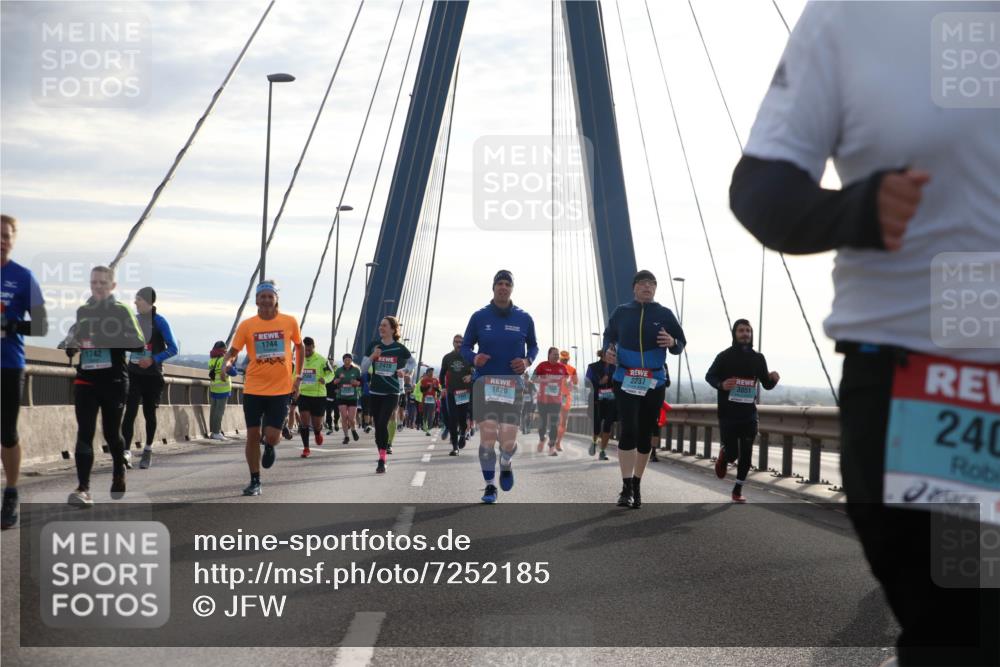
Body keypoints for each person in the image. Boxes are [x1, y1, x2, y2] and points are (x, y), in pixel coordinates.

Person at [729, 3, 999, 663]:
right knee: (964, 630)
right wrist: (854, 209)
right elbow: (760, 188)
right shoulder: (852, 18)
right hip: (934, 387)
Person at [61, 265, 146, 505]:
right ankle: (83, 488)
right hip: (86, 378)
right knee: (85, 432)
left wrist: (107, 337)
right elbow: (74, 336)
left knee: (111, 434)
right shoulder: (83, 311)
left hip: (114, 381)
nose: (97, 286)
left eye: (102, 283)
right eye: (93, 283)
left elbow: (138, 343)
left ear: (112, 286)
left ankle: (119, 470)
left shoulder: (121, 311)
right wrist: (71, 344)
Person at [602, 269, 685, 509]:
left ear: (655, 289)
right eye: (642, 283)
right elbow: (609, 336)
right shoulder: (622, 312)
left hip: (654, 381)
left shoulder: (664, 314)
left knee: (646, 433)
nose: (647, 287)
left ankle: (637, 483)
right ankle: (626, 486)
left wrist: (672, 343)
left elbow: (681, 343)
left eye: (652, 284)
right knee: (629, 429)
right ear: (634, 288)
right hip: (625, 377)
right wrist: (608, 348)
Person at [461, 270, 538, 504]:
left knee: (506, 441)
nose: (503, 287)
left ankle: (506, 461)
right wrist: (474, 358)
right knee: (487, 437)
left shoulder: (524, 318)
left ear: (512, 288)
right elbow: (465, 346)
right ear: (493, 288)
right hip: (485, 383)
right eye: (499, 284)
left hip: (512, 385)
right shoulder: (479, 317)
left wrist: (526, 361)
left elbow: (533, 346)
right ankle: (489, 486)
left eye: (507, 284)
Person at [220, 281, 303, 496]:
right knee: (252, 435)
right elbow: (234, 350)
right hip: (254, 387)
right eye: (262, 296)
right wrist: (226, 362)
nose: (266, 300)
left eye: (270, 296)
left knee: (272, 436)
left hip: (280, 389)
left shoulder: (289, 321)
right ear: (256, 300)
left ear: (276, 299)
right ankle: (255, 480)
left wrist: (298, 377)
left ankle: (271, 444)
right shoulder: (247, 326)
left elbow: (300, 346)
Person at [0, 214, 47, 528]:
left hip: (8, 364)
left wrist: (13, 324)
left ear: (14, 240)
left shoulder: (23, 276)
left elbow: (42, 325)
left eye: (6, 236)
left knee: (7, 433)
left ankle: (12, 492)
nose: (2, 240)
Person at [705, 320, 780, 502]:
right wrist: (721, 384)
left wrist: (773, 379)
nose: (745, 333)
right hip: (728, 414)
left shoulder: (758, 358)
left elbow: (766, 384)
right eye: (741, 330)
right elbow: (710, 376)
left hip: (749, 414)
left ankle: (737, 490)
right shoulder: (724, 356)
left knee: (746, 452)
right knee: (733, 454)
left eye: (748, 330)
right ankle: (725, 455)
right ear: (735, 333)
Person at [120, 286, 178, 470]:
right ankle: (125, 452)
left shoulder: (160, 322)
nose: (135, 303)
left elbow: (173, 348)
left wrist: (153, 359)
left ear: (148, 302)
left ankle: (147, 450)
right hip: (134, 374)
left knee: (149, 414)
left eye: (138, 300)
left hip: (152, 376)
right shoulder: (133, 321)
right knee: (129, 413)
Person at [359, 316, 415, 473]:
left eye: (384, 325)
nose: (380, 328)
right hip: (376, 391)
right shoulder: (373, 346)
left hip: (392, 391)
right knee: (378, 426)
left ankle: (382, 460)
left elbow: (412, 363)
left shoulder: (399, 348)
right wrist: (372, 356)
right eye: (380, 325)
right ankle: (382, 454)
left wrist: (404, 371)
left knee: (383, 422)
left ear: (392, 329)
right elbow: (363, 368)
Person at [295, 337, 334, 458]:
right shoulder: (299, 359)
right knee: (304, 423)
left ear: (313, 347)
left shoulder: (322, 360)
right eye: (304, 350)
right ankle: (306, 448)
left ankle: (318, 432)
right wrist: (294, 388)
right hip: (304, 395)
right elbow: (294, 375)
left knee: (317, 424)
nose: (306, 352)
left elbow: (331, 373)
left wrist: (325, 379)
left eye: (308, 350)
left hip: (318, 395)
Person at [440, 333, 474, 455]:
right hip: (451, 392)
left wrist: (471, 376)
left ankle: (463, 434)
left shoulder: (469, 357)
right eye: (456, 342)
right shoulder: (447, 357)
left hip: (465, 392)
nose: (458, 344)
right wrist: (443, 387)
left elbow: (477, 371)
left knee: (462, 418)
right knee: (453, 419)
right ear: (453, 343)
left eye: (461, 342)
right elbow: (442, 374)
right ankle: (455, 446)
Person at [531, 347, 568, 456]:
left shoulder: (562, 367)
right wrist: (544, 380)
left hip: (556, 401)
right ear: (549, 355)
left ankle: (551, 447)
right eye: (554, 354)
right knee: (542, 423)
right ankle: (542, 439)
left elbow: (566, 381)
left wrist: (569, 386)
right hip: (542, 400)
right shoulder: (542, 366)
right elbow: (533, 378)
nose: (557, 356)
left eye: (558, 355)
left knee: (553, 424)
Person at [586, 348, 617, 461]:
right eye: (610, 354)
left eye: (614, 355)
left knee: (608, 425)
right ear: (603, 355)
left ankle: (603, 451)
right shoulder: (592, 367)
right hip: (596, 400)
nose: (612, 357)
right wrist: (599, 383)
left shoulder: (616, 368)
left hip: (611, 401)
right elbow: (586, 383)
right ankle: (594, 442)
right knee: (597, 426)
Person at [207, 340, 237, 440]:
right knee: (219, 412)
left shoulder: (211, 360)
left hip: (214, 388)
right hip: (223, 389)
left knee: (214, 411)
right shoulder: (224, 359)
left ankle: (212, 432)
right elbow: (233, 373)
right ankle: (217, 432)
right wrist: (234, 363)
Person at [333, 353, 362, 444]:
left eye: (349, 359)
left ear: (351, 360)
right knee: (344, 417)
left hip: (352, 396)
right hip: (341, 397)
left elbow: (360, 383)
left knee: (351, 418)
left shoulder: (356, 370)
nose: (347, 361)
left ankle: (353, 429)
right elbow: (334, 382)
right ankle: (346, 436)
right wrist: (338, 380)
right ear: (343, 361)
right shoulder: (338, 370)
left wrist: (356, 383)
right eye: (345, 359)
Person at [553, 350, 578, 452]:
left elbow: (576, 384)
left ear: (568, 359)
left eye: (565, 359)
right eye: (562, 359)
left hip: (565, 397)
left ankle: (558, 442)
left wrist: (572, 385)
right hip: (554, 396)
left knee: (563, 423)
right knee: (556, 421)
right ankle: (554, 441)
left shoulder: (572, 370)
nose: (564, 361)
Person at [418, 367, 441, 436]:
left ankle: (429, 429)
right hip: (425, 399)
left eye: (432, 372)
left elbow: (438, 390)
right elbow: (422, 390)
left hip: (433, 400)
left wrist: (435, 388)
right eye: (430, 372)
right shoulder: (423, 380)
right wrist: (429, 386)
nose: (432, 373)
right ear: (427, 372)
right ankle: (425, 426)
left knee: (431, 415)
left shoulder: (436, 380)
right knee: (425, 414)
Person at [324, 355, 338, 435]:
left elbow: (341, 380)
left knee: (337, 412)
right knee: (328, 412)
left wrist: (338, 388)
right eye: (329, 361)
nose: (330, 363)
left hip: (336, 394)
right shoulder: (325, 371)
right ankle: (330, 427)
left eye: (331, 361)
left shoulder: (337, 370)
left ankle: (336, 422)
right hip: (327, 394)